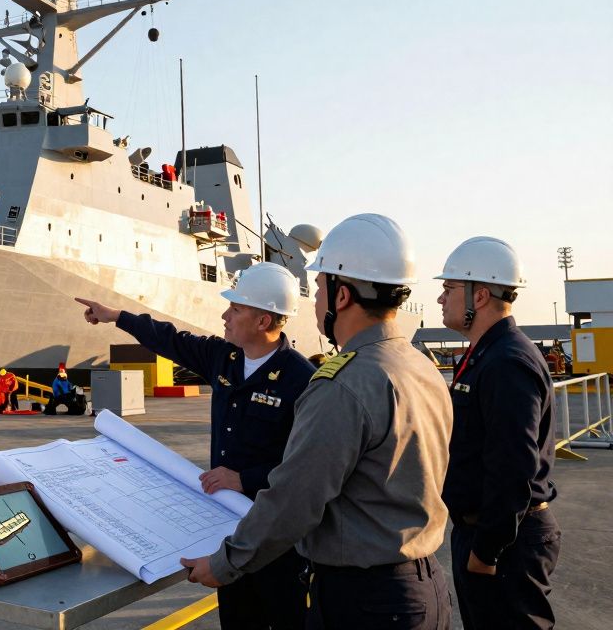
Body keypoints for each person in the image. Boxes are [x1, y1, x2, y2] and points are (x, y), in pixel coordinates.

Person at [177, 213, 454, 629]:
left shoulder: (342, 385)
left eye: (321, 285)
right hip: (424, 585)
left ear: (342, 295)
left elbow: (296, 497)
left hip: (365, 601)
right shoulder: (421, 367)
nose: (317, 299)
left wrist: (226, 562)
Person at [77, 261, 314, 629]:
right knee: (237, 619)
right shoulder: (224, 357)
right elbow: (170, 339)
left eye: (235, 309)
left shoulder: (303, 380)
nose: (225, 315)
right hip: (226, 531)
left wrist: (244, 478)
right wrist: (116, 316)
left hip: (276, 536)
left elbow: (311, 465)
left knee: (286, 619)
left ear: (263, 322)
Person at [435, 237, 560, 629]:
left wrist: (487, 550)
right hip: (486, 532)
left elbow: (513, 467)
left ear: (481, 294)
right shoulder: (487, 353)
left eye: (449, 289)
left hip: (505, 542)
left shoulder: (506, 361)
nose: (440, 298)